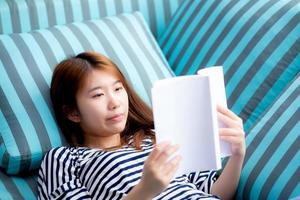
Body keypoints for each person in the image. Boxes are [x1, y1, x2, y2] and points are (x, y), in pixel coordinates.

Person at [37, 51, 246, 200]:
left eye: (118, 89)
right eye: (98, 95)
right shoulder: (64, 160)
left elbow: (213, 192)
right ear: (72, 112)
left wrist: (237, 155)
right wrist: (145, 190)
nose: (115, 102)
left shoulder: (156, 137)